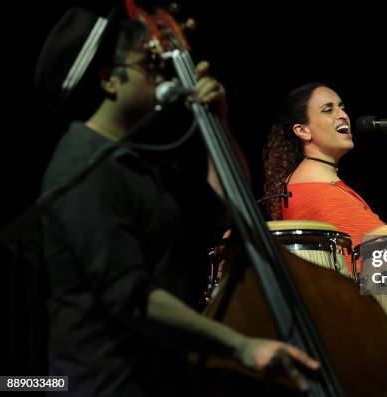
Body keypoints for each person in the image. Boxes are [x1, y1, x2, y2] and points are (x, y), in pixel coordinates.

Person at [36, 7, 317, 396]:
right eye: (148, 63)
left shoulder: (136, 163)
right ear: (108, 80)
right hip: (101, 384)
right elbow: (132, 298)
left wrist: (218, 122)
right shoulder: (84, 166)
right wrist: (241, 345)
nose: (163, 71)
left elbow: (226, 203)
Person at [263, 83, 385, 272]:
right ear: (303, 131)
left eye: (341, 107)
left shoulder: (305, 182)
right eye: (328, 110)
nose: (343, 115)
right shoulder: (320, 191)